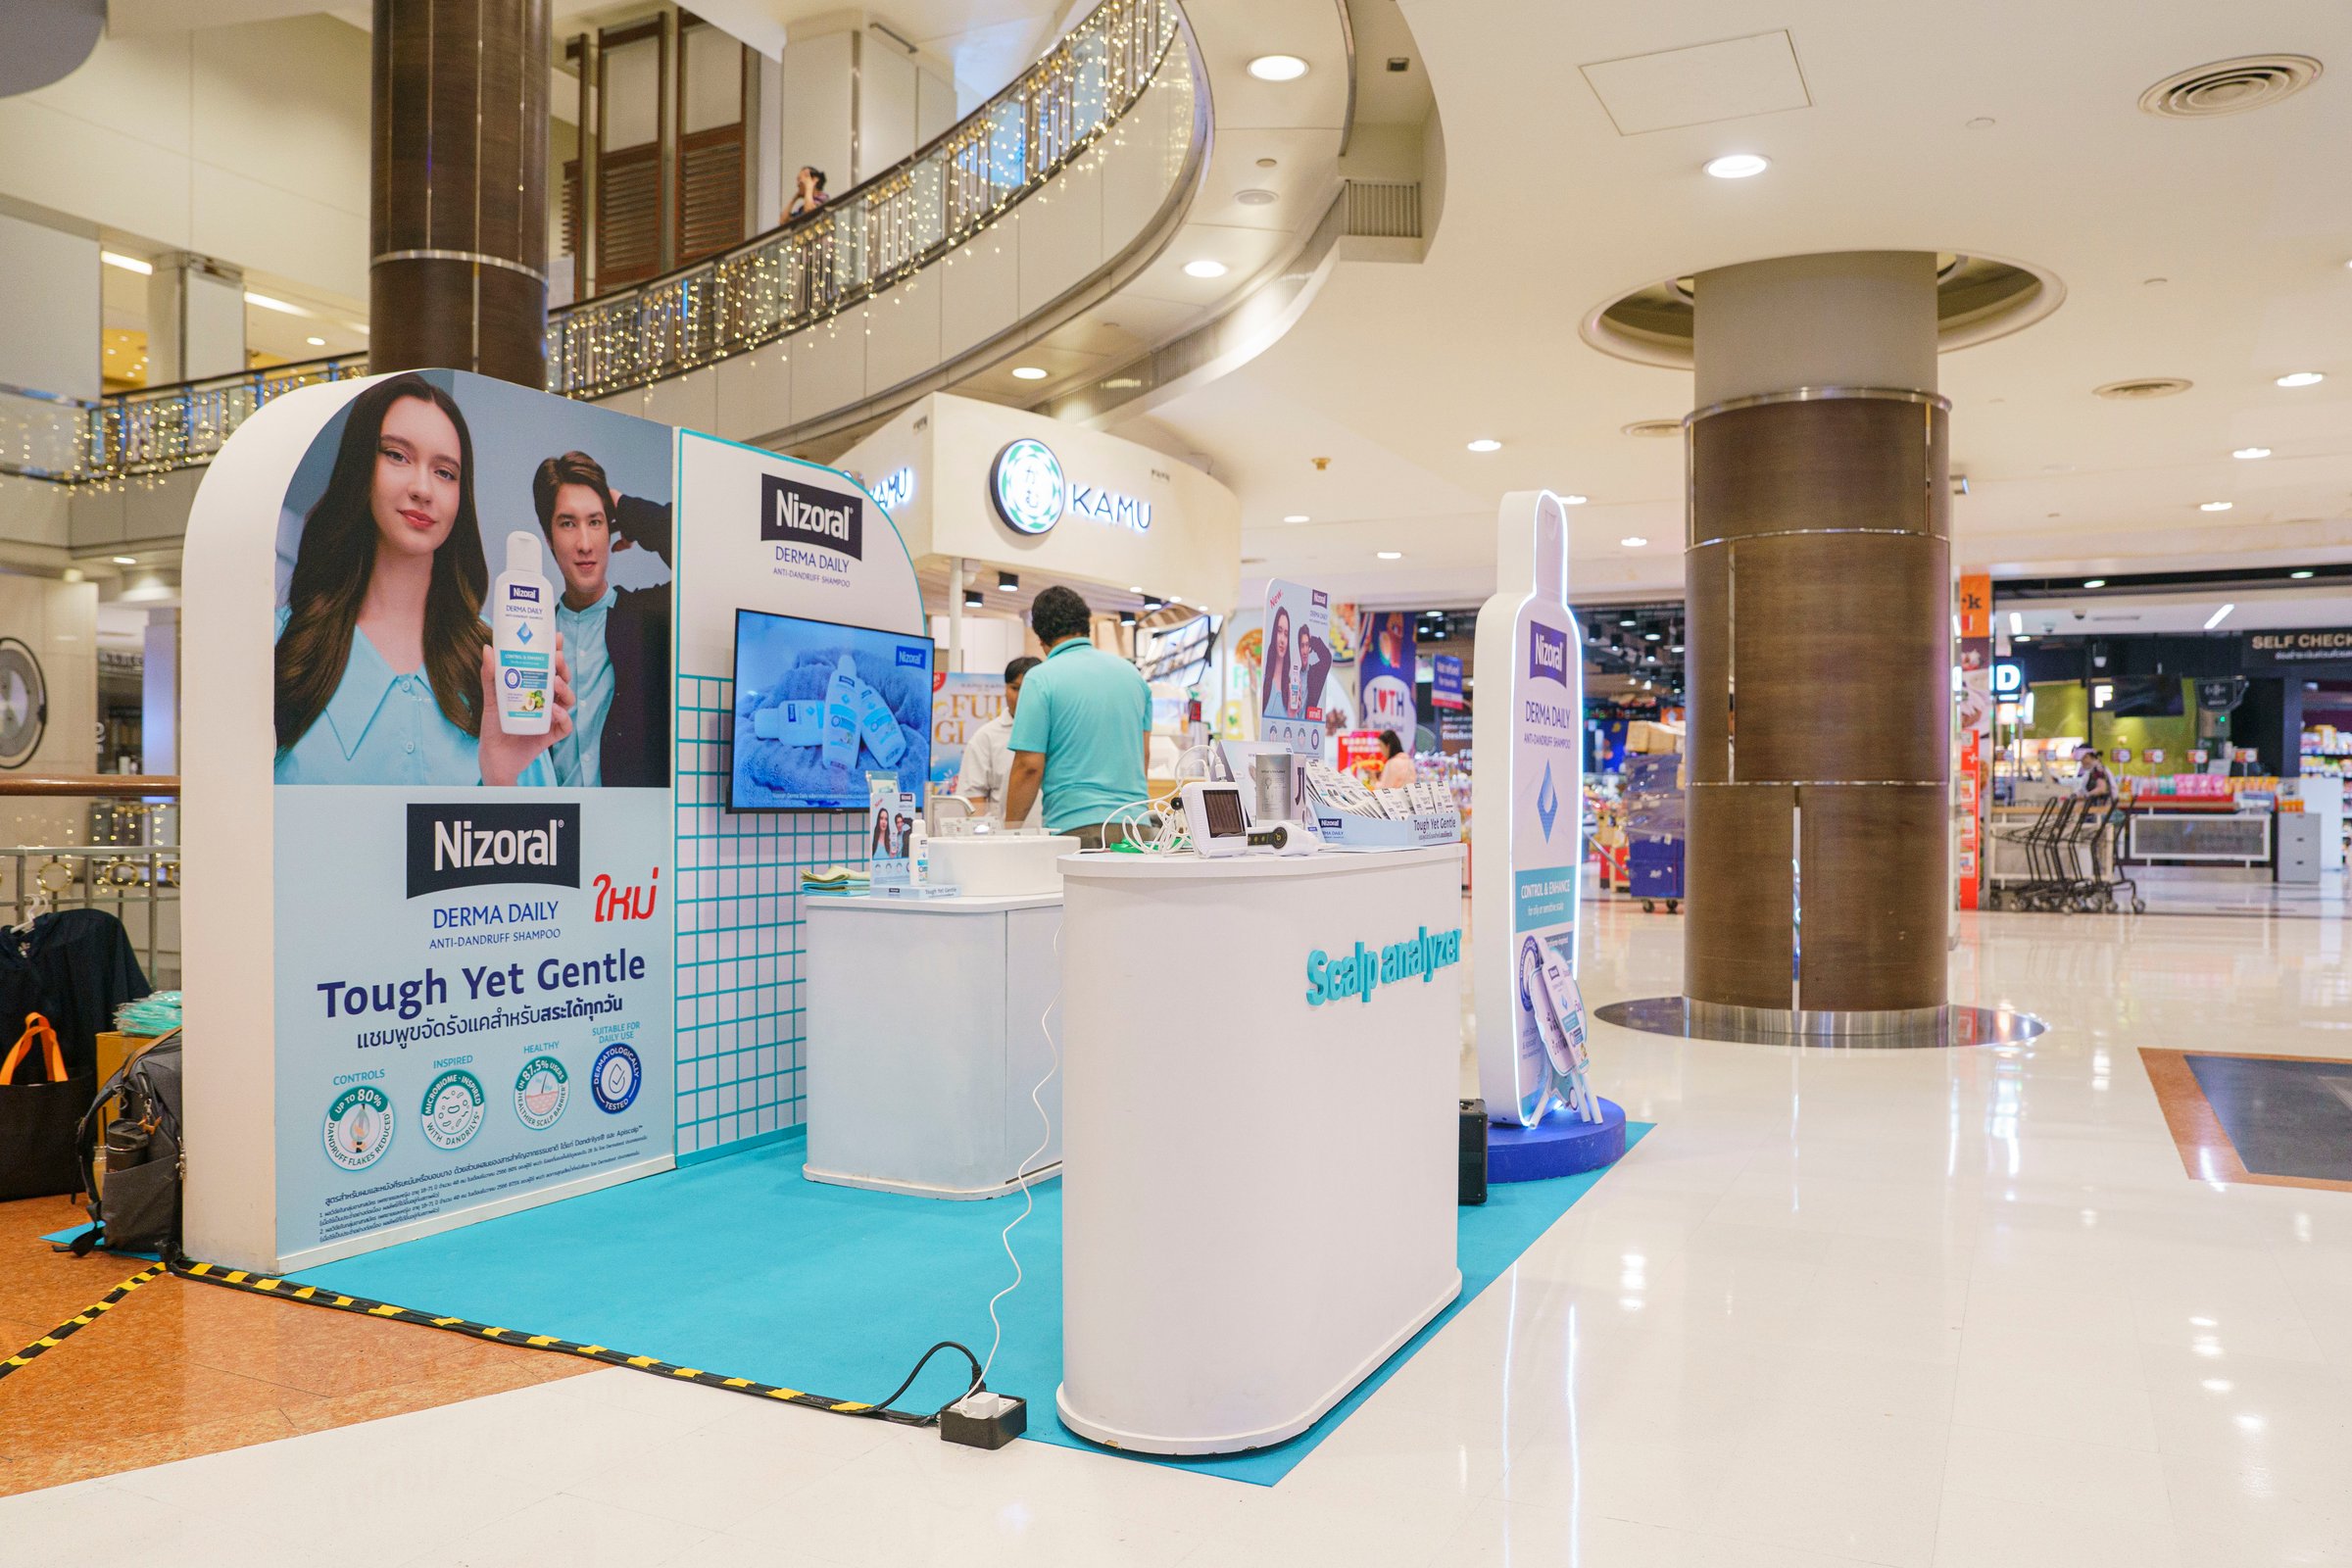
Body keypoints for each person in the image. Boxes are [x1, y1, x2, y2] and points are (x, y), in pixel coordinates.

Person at [274, 373, 571, 786]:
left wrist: (500, 776)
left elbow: (534, 844)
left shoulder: (493, 664)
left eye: (445, 473)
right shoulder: (282, 647)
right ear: (361, 464)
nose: (423, 488)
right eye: (397, 455)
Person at [530, 449, 671, 787]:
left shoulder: (651, 619)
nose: (584, 543)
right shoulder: (532, 636)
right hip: (551, 833)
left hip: (631, 832)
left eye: (595, 523)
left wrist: (626, 508)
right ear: (549, 539)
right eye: (568, 523)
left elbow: (707, 554)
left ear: (609, 532)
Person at [1003, 586, 1152, 849]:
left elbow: (1029, 765)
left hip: (1077, 827)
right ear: (1087, 626)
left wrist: (1008, 831)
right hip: (1138, 828)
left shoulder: (1040, 679)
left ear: (1041, 640)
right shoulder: (1132, 676)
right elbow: (1144, 755)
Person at [956, 655, 1042, 825]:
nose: (1020, 697)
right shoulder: (986, 737)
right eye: (1014, 688)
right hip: (1006, 841)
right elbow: (974, 798)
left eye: (1027, 689)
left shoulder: (1058, 732)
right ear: (1004, 688)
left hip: (1055, 838)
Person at [1261, 606, 1294, 718]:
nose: (1282, 640)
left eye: (1286, 634)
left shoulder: (1291, 690)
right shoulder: (1264, 684)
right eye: (1279, 631)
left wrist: (1292, 714)